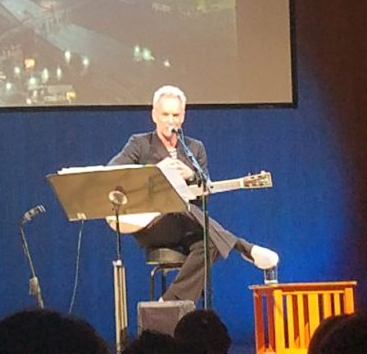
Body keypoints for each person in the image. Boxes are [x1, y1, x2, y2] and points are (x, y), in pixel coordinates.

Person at [107, 85, 279, 302]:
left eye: (176, 115)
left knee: (211, 243)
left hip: (186, 222)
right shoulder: (140, 144)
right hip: (151, 223)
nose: (171, 120)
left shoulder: (194, 148)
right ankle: (243, 247)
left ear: (183, 117)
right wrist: (155, 173)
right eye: (165, 114)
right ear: (154, 115)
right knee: (181, 208)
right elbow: (112, 172)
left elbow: (204, 197)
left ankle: (169, 303)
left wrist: (191, 175)